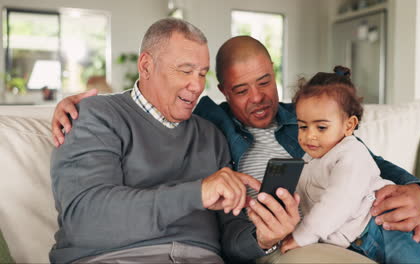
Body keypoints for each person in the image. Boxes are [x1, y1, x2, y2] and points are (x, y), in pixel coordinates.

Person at [52, 36, 420, 263]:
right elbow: (154, 99)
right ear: (221, 93)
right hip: (284, 240)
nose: (258, 99)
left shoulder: (309, 117)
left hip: (358, 223)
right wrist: (80, 106)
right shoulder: (209, 122)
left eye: (265, 82)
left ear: (274, 73)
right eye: (240, 90)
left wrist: (417, 191)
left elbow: (366, 160)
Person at [49, 18, 261, 263]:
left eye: (202, 74)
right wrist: (197, 193)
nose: (197, 85)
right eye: (185, 70)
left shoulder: (211, 135)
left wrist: (261, 238)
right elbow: (85, 220)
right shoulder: (95, 115)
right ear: (146, 65)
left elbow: (230, 231)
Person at [279, 66, 420, 263]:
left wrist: (301, 236)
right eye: (303, 126)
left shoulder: (351, 154)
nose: (310, 135)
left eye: (321, 127)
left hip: (384, 227)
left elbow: (338, 201)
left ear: (349, 125)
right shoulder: (308, 161)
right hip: (353, 242)